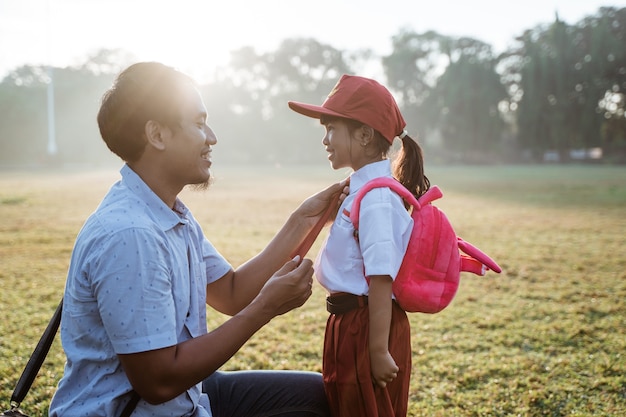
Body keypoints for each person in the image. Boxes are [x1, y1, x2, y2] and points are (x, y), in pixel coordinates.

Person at [48, 62, 347, 417]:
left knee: (317, 395)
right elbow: (158, 382)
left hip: (186, 399)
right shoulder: (131, 235)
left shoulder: (169, 213)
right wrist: (265, 308)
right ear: (157, 135)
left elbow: (232, 292)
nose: (212, 137)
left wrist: (304, 220)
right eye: (199, 123)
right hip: (140, 409)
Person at [288, 74, 430, 417]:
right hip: (349, 320)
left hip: (367, 325)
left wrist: (378, 350)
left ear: (364, 135)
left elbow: (381, 277)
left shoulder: (377, 198)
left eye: (331, 128)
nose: (325, 140)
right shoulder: (359, 190)